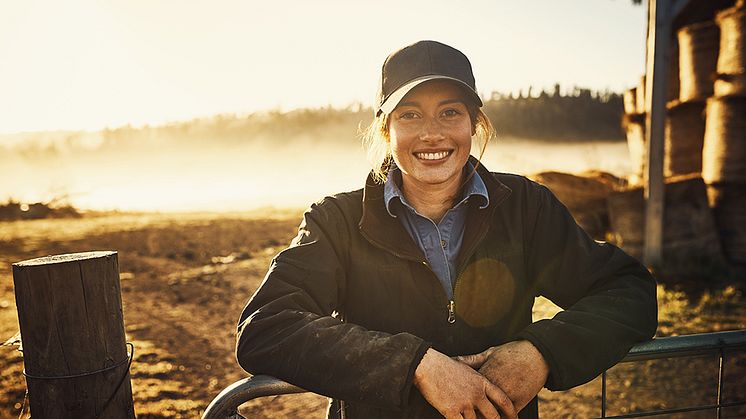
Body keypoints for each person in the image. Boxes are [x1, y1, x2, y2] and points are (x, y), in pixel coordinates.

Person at [236, 40, 657, 419]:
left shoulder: (525, 207)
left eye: (450, 112)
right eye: (410, 114)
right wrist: (415, 365)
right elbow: (266, 327)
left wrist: (540, 351)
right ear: (387, 129)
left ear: (475, 123)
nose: (431, 133)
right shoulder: (337, 222)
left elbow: (628, 290)